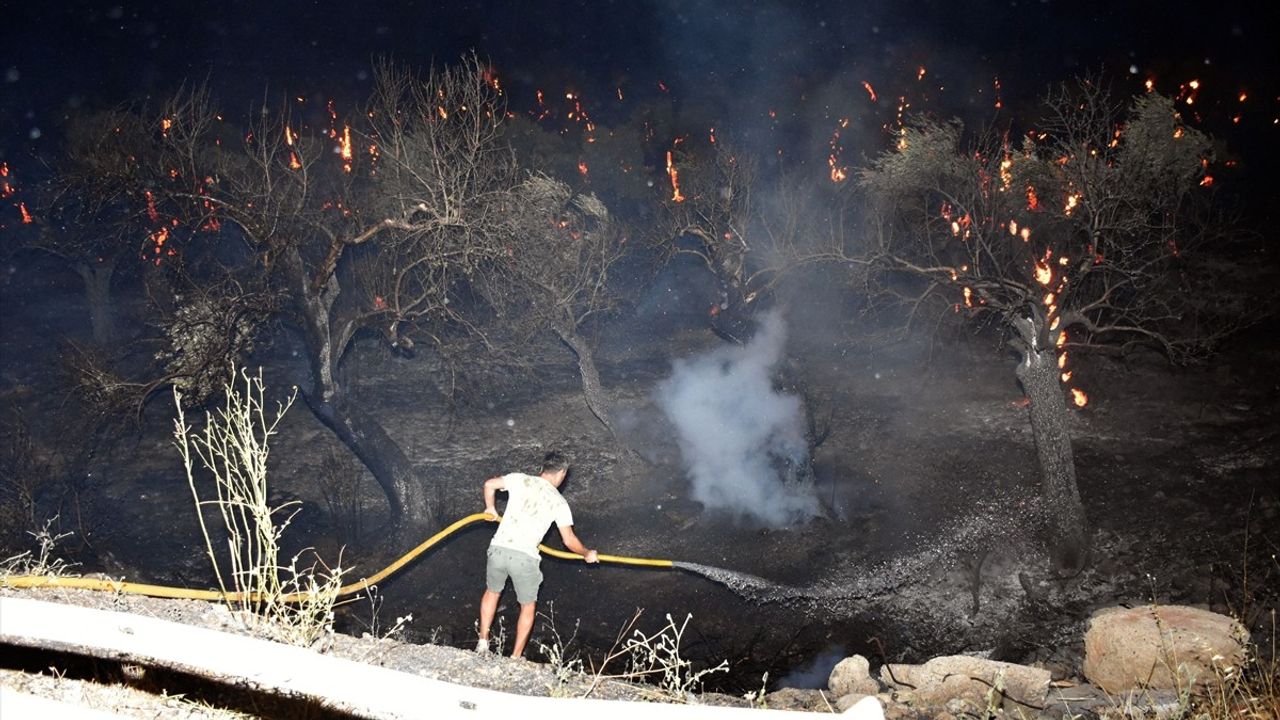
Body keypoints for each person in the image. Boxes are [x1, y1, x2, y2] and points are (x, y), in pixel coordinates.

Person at [476, 450, 599, 657]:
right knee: (527, 606)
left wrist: (490, 508)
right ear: (561, 473)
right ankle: (515, 657)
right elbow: (569, 540)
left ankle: (482, 643)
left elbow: (489, 484)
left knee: (492, 592)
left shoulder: (519, 480)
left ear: (543, 468)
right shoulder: (558, 502)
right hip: (524, 558)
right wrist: (586, 552)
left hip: (498, 549)